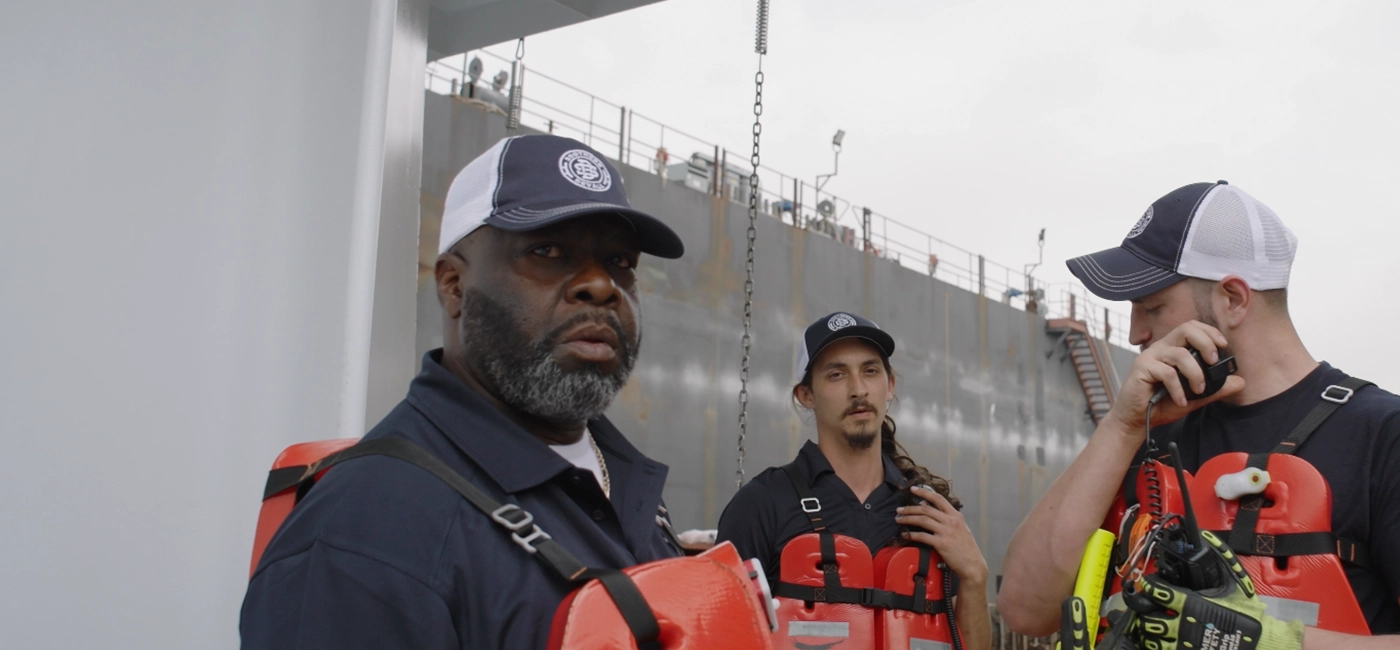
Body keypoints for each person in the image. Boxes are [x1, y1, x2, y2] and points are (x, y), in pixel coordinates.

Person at [240, 135, 687, 649]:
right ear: (453, 285)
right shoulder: (366, 536)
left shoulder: (621, 477)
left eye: (620, 261)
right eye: (548, 251)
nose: (601, 285)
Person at [998, 181, 1400, 649]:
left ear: (1232, 299)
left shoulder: (1380, 435)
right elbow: (1026, 609)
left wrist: (1269, 643)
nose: (1134, 332)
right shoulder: (1142, 435)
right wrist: (1123, 426)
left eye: (1152, 306)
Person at [717, 312, 992, 650]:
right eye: (836, 374)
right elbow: (720, 632)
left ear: (889, 385)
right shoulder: (762, 504)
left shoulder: (928, 509)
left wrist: (975, 576)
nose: (858, 389)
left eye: (870, 371)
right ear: (806, 395)